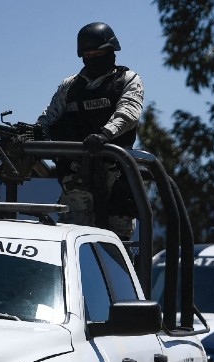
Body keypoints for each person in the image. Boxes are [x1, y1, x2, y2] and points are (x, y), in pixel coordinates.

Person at [37, 22, 143, 239]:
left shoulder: (127, 80)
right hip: (76, 177)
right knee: (74, 237)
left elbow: (129, 112)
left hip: (115, 172)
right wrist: (36, 136)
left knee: (117, 243)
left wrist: (104, 135)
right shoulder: (70, 86)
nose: (93, 57)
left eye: (99, 52)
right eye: (88, 53)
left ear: (112, 52)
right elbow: (47, 120)